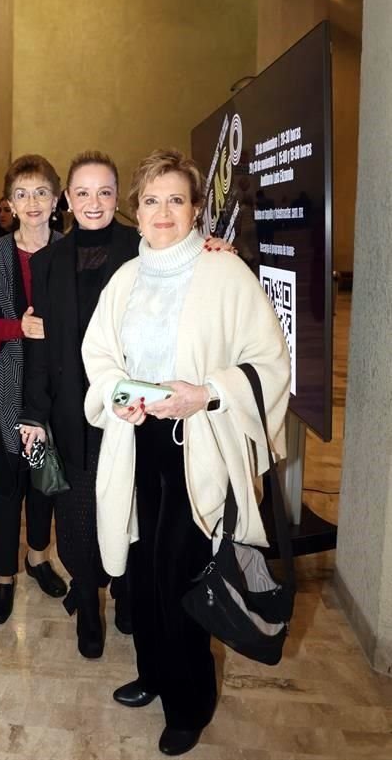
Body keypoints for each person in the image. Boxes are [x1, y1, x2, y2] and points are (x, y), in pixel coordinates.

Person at [81, 149, 290, 756]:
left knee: (180, 576)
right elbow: (100, 355)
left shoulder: (225, 273)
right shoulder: (126, 278)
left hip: (198, 447)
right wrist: (118, 396)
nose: (163, 212)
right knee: (143, 569)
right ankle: (153, 673)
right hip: (138, 443)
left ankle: (189, 703)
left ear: (196, 208)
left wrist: (206, 393)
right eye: (151, 201)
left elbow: (270, 363)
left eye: (176, 199)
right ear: (137, 210)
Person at [18, 150, 141, 659]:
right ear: (67, 198)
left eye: (104, 192)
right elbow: (40, 347)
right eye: (83, 192)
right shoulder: (48, 262)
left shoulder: (142, 249)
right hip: (71, 408)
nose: (94, 203)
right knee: (76, 512)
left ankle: (128, 593)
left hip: (130, 409)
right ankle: (88, 601)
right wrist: (33, 414)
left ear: (117, 197)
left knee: (131, 506)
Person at [0, 155, 67, 625]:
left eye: (40, 192)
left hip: (56, 390)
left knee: (44, 477)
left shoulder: (71, 251)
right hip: (8, 388)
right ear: (9, 203)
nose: (32, 202)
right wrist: (18, 327)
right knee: (7, 482)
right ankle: (2, 575)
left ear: (56, 199)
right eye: (21, 193)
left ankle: (36, 557)